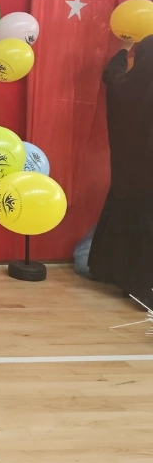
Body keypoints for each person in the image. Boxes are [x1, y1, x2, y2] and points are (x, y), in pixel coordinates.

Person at [88, 37, 153, 306]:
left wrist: (124, 48)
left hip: (126, 176)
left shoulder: (124, 88)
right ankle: (144, 288)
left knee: (127, 226)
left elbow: (111, 75)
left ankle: (124, 280)